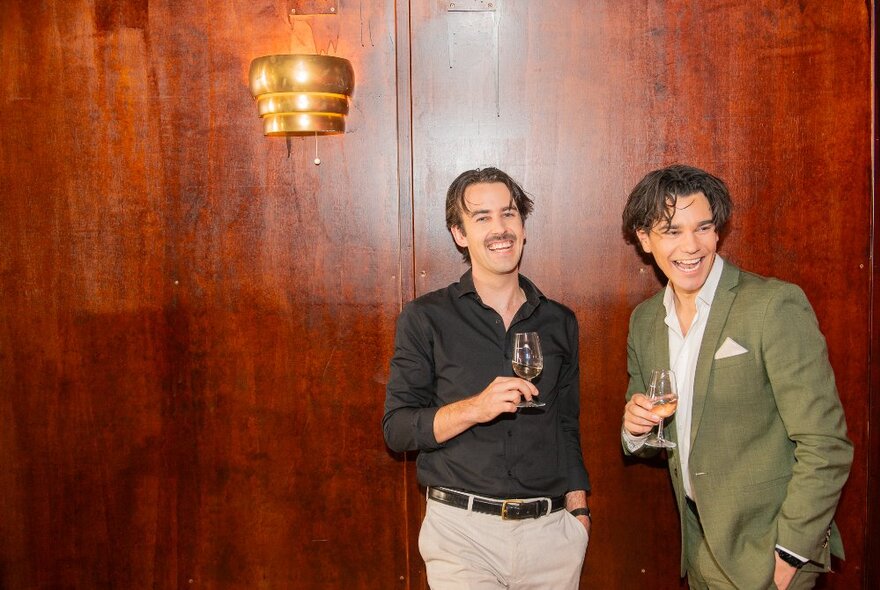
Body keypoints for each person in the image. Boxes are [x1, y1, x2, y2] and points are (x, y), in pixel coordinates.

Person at [620, 164, 853, 589]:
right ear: (644, 238)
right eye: (671, 231)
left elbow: (825, 442)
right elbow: (650, 432)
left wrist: (790, 551)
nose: (691, 246)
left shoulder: (773, 305)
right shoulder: (646, 320)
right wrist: (635, 430)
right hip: (698, 549)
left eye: (703, 227)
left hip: (767, 553)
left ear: (717, 231)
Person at [383, 167, 591, 589]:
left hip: (551, 537)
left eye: (509, 214)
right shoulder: (426, 318)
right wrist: (475, 409)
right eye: (481, 218)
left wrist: (579, 512)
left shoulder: (559, 321)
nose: (500, 229)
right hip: (462, 534)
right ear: (459, 234)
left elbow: (566, 424)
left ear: (523, 226)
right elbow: (398, 429)